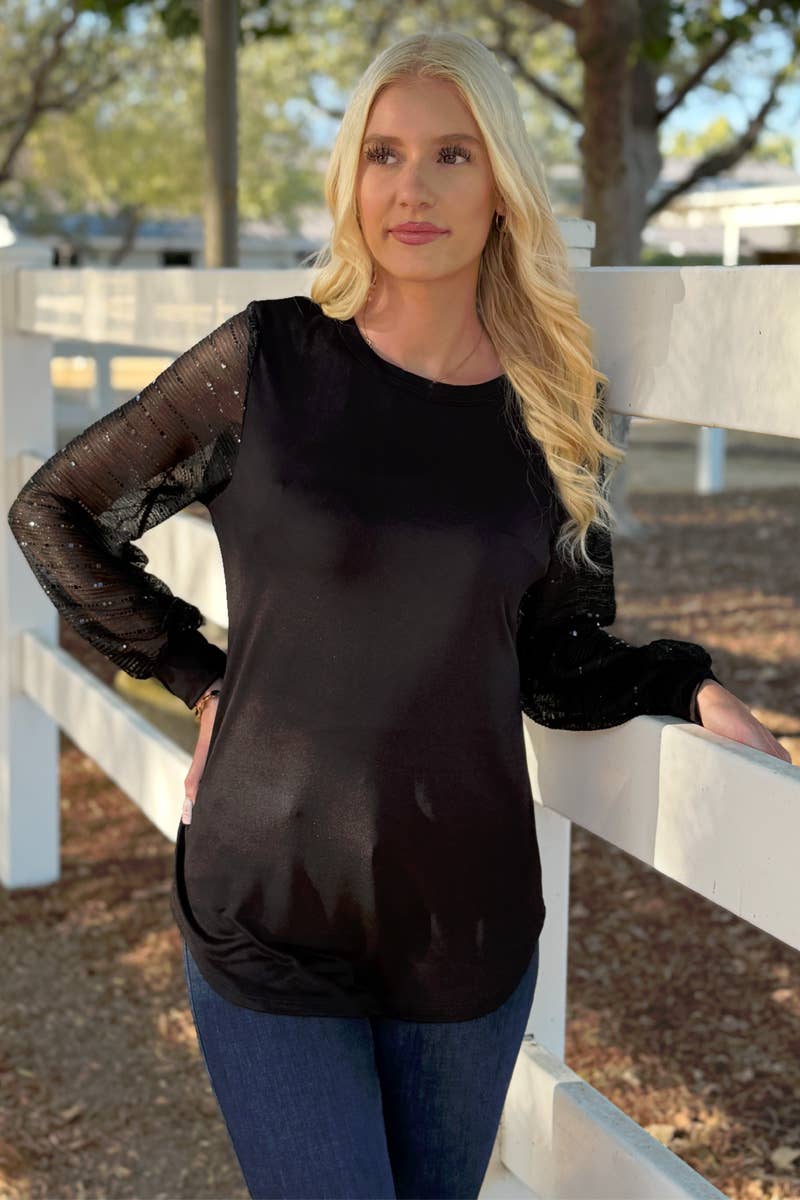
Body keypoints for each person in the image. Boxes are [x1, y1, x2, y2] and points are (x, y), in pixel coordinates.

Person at [7, 29, 790, 1200]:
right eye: (382, 153)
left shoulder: (555, 409)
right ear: (349, 178)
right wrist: (196, 670)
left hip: (461, 923)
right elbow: (55, 509)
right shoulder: (266, 364)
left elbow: (555, 655)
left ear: (501, 190)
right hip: (264, 899)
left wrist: (682, 682)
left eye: (449, 155)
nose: (408, 188)